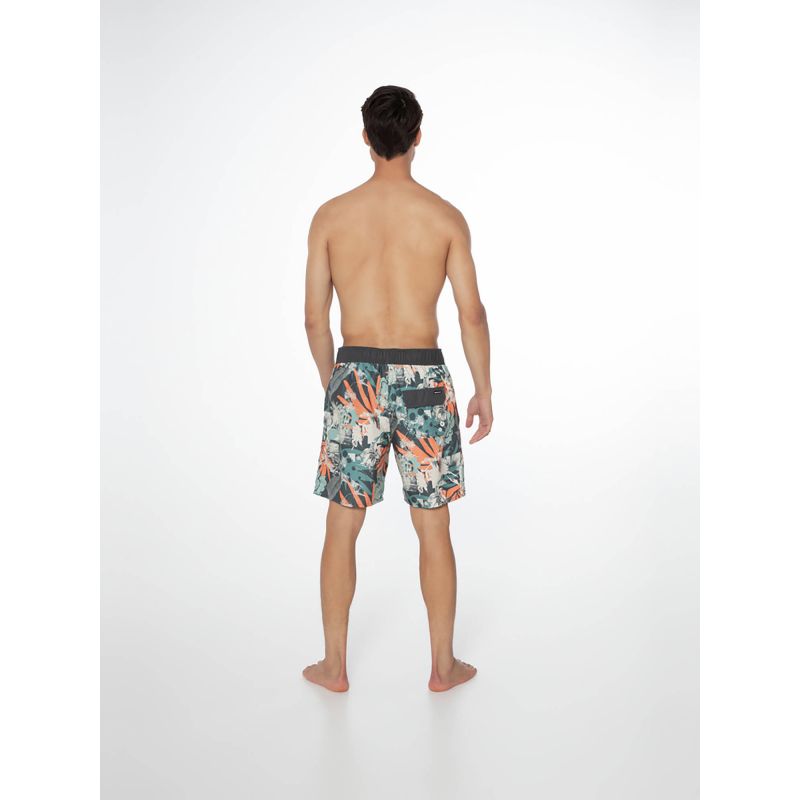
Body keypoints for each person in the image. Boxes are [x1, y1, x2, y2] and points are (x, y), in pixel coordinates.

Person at [302, 85, 492, 693]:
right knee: (433, 525)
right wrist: (483, 389)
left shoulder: (331, 217)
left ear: (366, 137)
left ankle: (334, 666)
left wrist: (335, 384)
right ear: (417, 136)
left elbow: (314, 319)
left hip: (354, 373)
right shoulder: (444, 218)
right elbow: (471, 314)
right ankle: (443, 666)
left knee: (342, 524)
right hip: (423, 379)